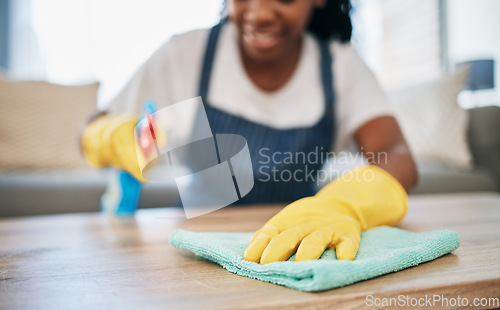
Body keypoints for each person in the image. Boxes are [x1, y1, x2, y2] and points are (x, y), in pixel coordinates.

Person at [82, 0, 418, 264]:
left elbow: (396, 156)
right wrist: (108, 135)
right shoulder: (187, 54)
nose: (258, 14)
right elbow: (92, 125)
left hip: (298, 249)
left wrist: (344, 205)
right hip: (196, 250)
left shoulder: (341, 67)